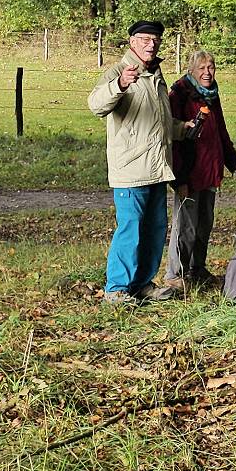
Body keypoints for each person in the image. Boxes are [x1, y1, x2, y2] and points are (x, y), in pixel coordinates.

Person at [87, 19, 198, 303]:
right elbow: (96, 105)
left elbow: (158, 121)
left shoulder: (155, 76)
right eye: (146, 40)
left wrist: (181, 129)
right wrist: (120, 84)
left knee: (154, 230)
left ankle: (142, 284)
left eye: (156, 40)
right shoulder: (117, 72)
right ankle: (116, 289)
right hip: (131, 169)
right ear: (132, 42)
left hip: (157, 168)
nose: (152, 44)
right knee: (130, 229)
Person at [157, 50, 236, 298]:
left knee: (204, 225)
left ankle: (197, 269)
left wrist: (233, 163)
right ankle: (175, 274)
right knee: (185, 227)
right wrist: (180, 180)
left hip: (210, 170)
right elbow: (174, 142)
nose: (207, 72)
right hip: (189, 173)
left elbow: (221, 132)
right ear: (191, 70)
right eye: (202, 68)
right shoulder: (179, 94)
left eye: (211, 67)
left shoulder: (212, 95)